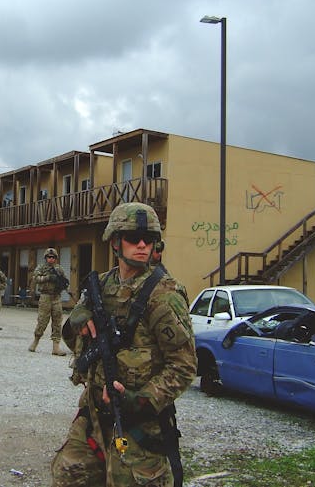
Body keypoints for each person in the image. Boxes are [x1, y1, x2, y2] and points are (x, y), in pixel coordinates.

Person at [51, 202, 197, 487]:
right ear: (116, 242)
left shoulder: (164, 296)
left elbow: (184, 365)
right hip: (92, 416)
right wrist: (77, 320)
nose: (142, 244)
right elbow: (76, 343)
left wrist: (140, 400)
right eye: (133, 238)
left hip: (137, 422)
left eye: (149, 239)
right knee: (69, 475)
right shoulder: (100, 285)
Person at [29, 247, 69, 356]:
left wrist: (62, 283)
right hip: (45, 297)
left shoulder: (59, 269)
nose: (51, 259)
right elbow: (36, 278)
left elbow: (64, 281)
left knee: (57, 321)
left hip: (56, 297)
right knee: (42, 320)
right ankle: (35, 341)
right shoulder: (41, 268)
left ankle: (56, 347)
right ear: (46, 258)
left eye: (53, 257)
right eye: (49, 257)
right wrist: (48, 277)